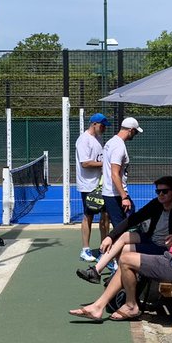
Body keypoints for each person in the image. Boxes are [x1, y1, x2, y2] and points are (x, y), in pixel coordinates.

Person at [70, 174, 172, 323]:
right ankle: (98, 305)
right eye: (158, 191)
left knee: (126, 260)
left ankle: (130, 305)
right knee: (126, 257)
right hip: (170, 258)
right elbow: (135, 219)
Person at [75, 175, 172, 282]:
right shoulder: (156, 204)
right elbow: (134, 219)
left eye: (164, 191)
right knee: (124, 236)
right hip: (151, 239)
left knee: (125, 249)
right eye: (158, 191)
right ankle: (96, 271)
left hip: (163, 248)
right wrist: (110, 236)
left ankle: (118, 277)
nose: (161, 194)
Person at [76, 112, 109, 262]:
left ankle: (104, 249)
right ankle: (85, 249)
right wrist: (106, 164)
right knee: (88, 217)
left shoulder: (98, 138)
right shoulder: (84, 140)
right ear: (94, 124)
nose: (104, 129)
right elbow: (85, 163)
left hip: (100, 184)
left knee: (105, 216)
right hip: (88, 185)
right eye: (102, 126)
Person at [100, 116, 143, 232]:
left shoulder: (111, 142)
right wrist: (124, 197)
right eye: (135, 132)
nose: (135, 135)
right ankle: (115, 249)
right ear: (131, 130)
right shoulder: (118, 147)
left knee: (125, 224)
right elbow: (114, 174)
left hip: (112, 193)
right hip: (115, 195)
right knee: (122, 229)